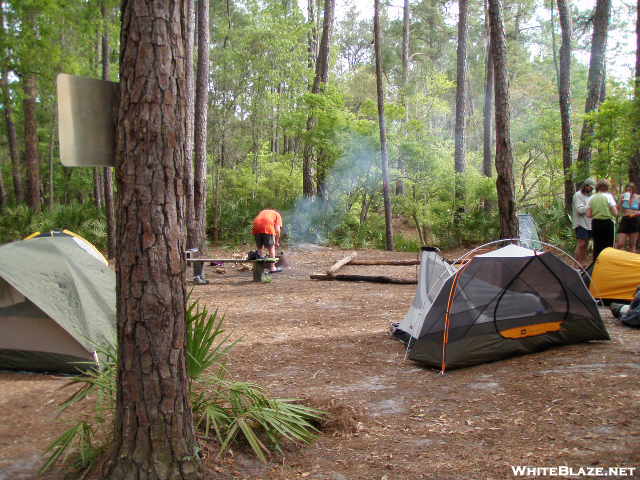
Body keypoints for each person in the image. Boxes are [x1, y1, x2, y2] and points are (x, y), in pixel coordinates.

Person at [587, 179, 618, 262]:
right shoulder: (609, 196)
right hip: (607, 223)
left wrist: (597, 213)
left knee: (597, 245)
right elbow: (615, 213)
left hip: (596, 223)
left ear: (598, 187)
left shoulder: (592, 197)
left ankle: (596, 264)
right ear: (607, 187)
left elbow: (588, 214)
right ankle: (607, 263)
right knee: (608, 245)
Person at [572, 178, 595, 267]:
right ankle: (577, 263)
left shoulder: (591, 196)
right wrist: (589, 206)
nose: (591, 189)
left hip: (590, 224)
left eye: (593, 188)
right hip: (580, 223)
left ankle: (583, 263)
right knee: (581, 244)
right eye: (590, 187)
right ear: (585, 186)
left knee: (586, 244)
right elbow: (579, 210)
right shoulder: (578, 195)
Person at [616, 183, 640, 252]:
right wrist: (621, 201)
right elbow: (618, 209)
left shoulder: (638, 197)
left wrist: (637, 212)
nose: (629, 191)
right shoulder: (623, 197)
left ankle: (631, 262)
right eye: (627, 189)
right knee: (620, 243)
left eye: (630, 189)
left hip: (635, 220)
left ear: (634, 189)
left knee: (632, 245)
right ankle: (616, 259)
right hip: (625, 219)